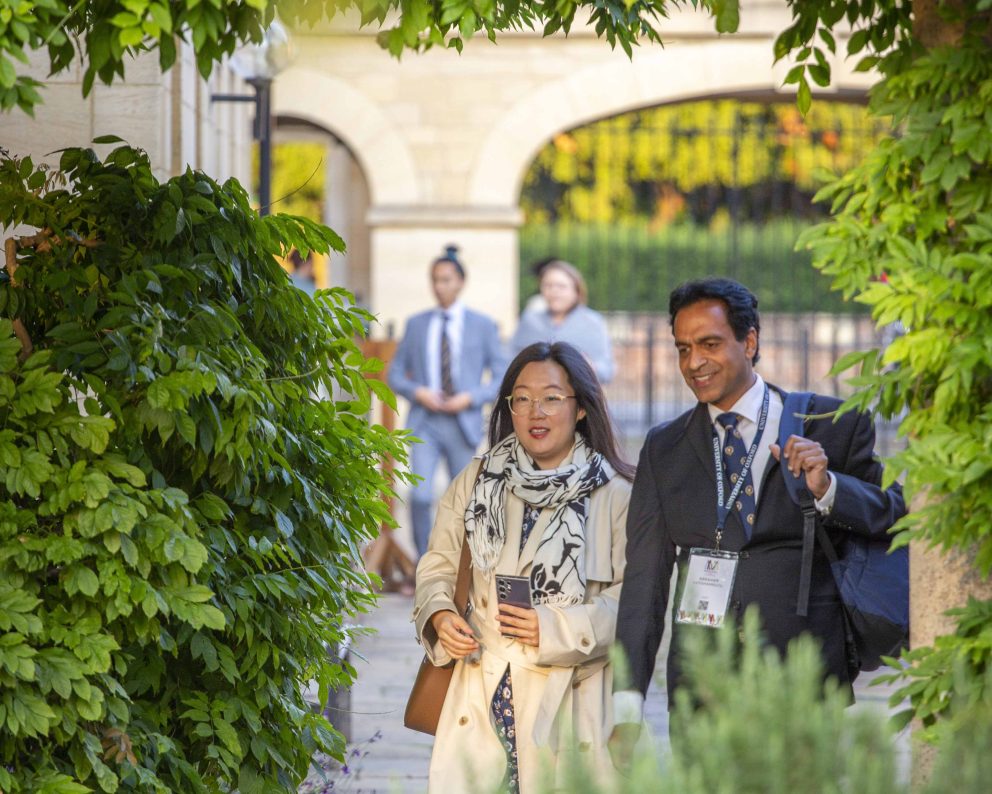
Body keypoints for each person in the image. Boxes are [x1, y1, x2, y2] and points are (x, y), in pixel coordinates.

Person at [608, 277, 906, 770]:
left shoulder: (830, 423)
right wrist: (627, 705)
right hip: (701, 681)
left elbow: (890, 514)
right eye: (683, 349)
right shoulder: (664, 448)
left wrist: (828, 487)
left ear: (749, 341)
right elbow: (644, 582)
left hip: (805, 672)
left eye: (709, 344)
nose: (693, 363)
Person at [413, 342, 634, 793]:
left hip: (570, 698)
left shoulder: (616, 495)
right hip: (481, 685)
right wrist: (440, 614)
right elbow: (436, 564)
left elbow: (634, 602)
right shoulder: (477, 480)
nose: (536, 411)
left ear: (579, 409)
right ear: (508, 407)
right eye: (522, 398)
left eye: (552, 397)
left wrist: (554, 628)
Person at [389, 245, 506, 557]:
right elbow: (395, 373)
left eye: (446, 279)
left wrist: (471, 397)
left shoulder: (482, 325)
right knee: (422, 495)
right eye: (435, 280)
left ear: (460, 281)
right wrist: (418, 392)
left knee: (464, 499)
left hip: (462, 422)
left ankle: (460, 563)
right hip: (424, 421)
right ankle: (424, 563)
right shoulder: (416, 324)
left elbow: (502, 374)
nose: (439, 286)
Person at [511, 259, 615, 384]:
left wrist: (590, 367)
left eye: (561, 286)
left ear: (576, 290)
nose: (554, 291)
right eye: (548, 285)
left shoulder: (592, 322)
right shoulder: (530, 320)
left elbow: (607, 371)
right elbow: (511, 362)